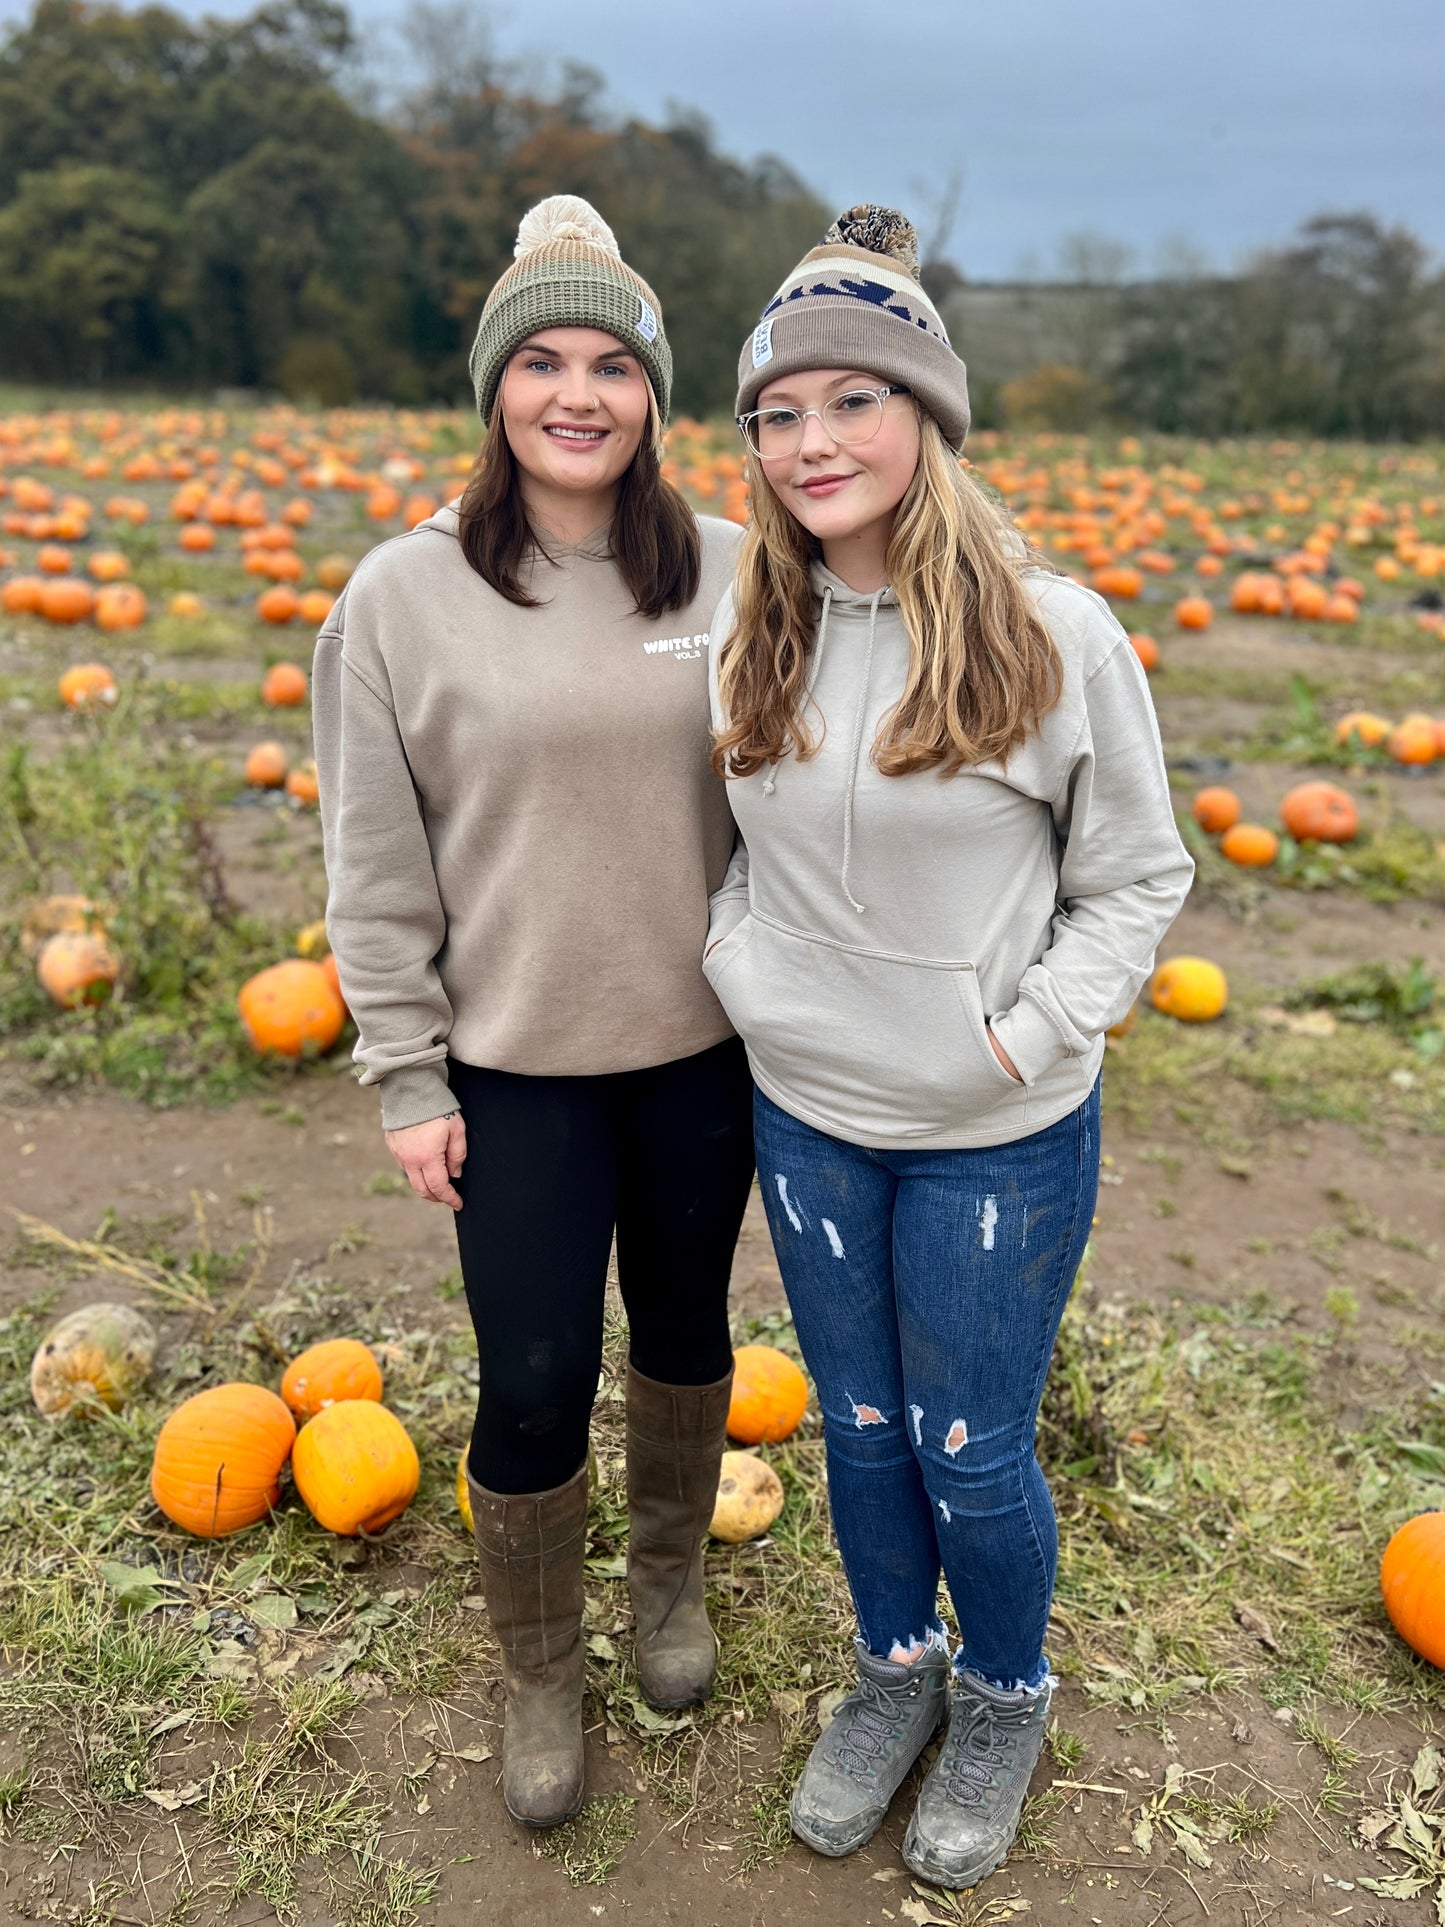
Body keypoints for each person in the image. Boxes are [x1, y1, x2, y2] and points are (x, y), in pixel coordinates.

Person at [704, 205, 1193, 1889]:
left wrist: (1026, 1031)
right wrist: (743, 975)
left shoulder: (1054, 634)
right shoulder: (749, 628)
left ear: (927, 420)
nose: (811, 442)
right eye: (779, 413)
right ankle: (891, 1670)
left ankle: (999, 1691)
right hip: (809, 1112)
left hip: (995, 1126)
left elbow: (1136, 875)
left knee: (968, 1444)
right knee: (851, 1426)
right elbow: (724, 856)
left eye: (852, 401)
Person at [313, 196, 755, 1830]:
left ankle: (666, 1592)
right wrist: (403, 1073)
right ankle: (540, 1666)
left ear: (653, 394)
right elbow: (372, 859)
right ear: (497, 390)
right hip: (514, 1076)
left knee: (691, 1335)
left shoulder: (727, 562)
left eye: (615, 364)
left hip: (703, 1060)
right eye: (546, 361)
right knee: (531, 1376)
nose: (581, 394)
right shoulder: (401, 597)